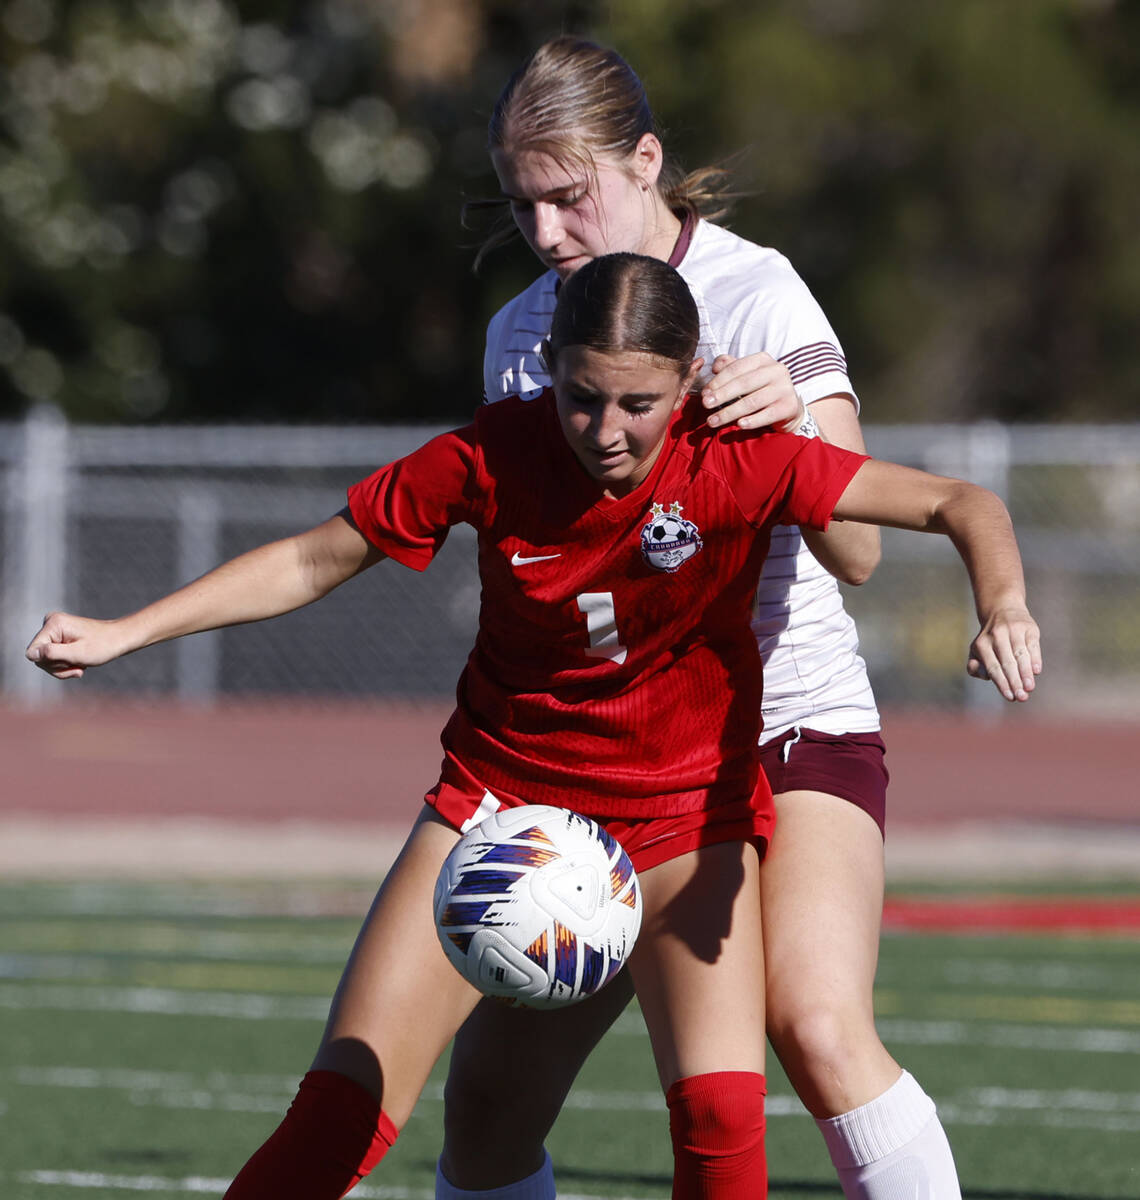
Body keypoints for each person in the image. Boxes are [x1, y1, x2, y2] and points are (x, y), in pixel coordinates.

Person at [27, 254, 1039, 1200]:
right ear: (546, 370)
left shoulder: (741, 459)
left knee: (723, 1130)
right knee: (344, 1108)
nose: (607, 428)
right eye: (581, 396)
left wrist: (1002, 605)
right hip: (499, 809)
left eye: (639, 404)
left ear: (688, 384)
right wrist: (129, 632)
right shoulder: (488, 457)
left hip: (688, 822)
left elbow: (961, 500)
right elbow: (313, 558)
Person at [436, 37, 1030, 1200]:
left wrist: (782, 421)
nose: (548, 233)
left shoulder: (759, 294)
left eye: (571, 196)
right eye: (523, 205)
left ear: (645, 161)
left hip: (789, 722)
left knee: (812, 1023)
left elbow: (856, 553)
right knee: (489, 1106)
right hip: (619, 751)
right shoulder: (523, 332)